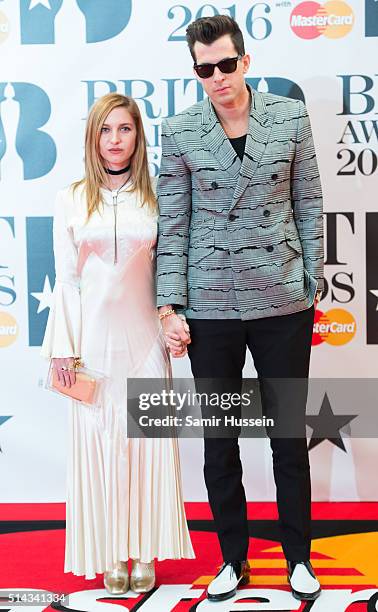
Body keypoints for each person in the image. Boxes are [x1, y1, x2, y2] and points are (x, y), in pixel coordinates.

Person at [157, 15, 323, 603]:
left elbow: (309, 201)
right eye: (205, 69)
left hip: (282, 302)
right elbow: (173, 223)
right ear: (195, 71)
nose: (217, 77)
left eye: (226, 65)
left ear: (245, 61)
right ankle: (233, 558)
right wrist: (169, 303)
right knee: (220, 441)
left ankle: (298, 556)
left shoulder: (290, 116)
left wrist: (312, 282)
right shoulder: (178, 131)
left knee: (286, 435)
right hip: (210, 306)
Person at [41, 93, 194, 594]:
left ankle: (145, 551)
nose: (115, 140)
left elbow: (170, 269)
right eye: (106, 130)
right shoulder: (70, 197)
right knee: (99, 446)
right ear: (93, 136)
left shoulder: (158, 197)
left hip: (145, 340)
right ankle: (110, 551)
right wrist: (62, 348)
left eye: (124, 129)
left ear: (137, 136)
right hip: (91, 346)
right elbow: (65, 279)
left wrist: (173, 318)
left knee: (147, 445)